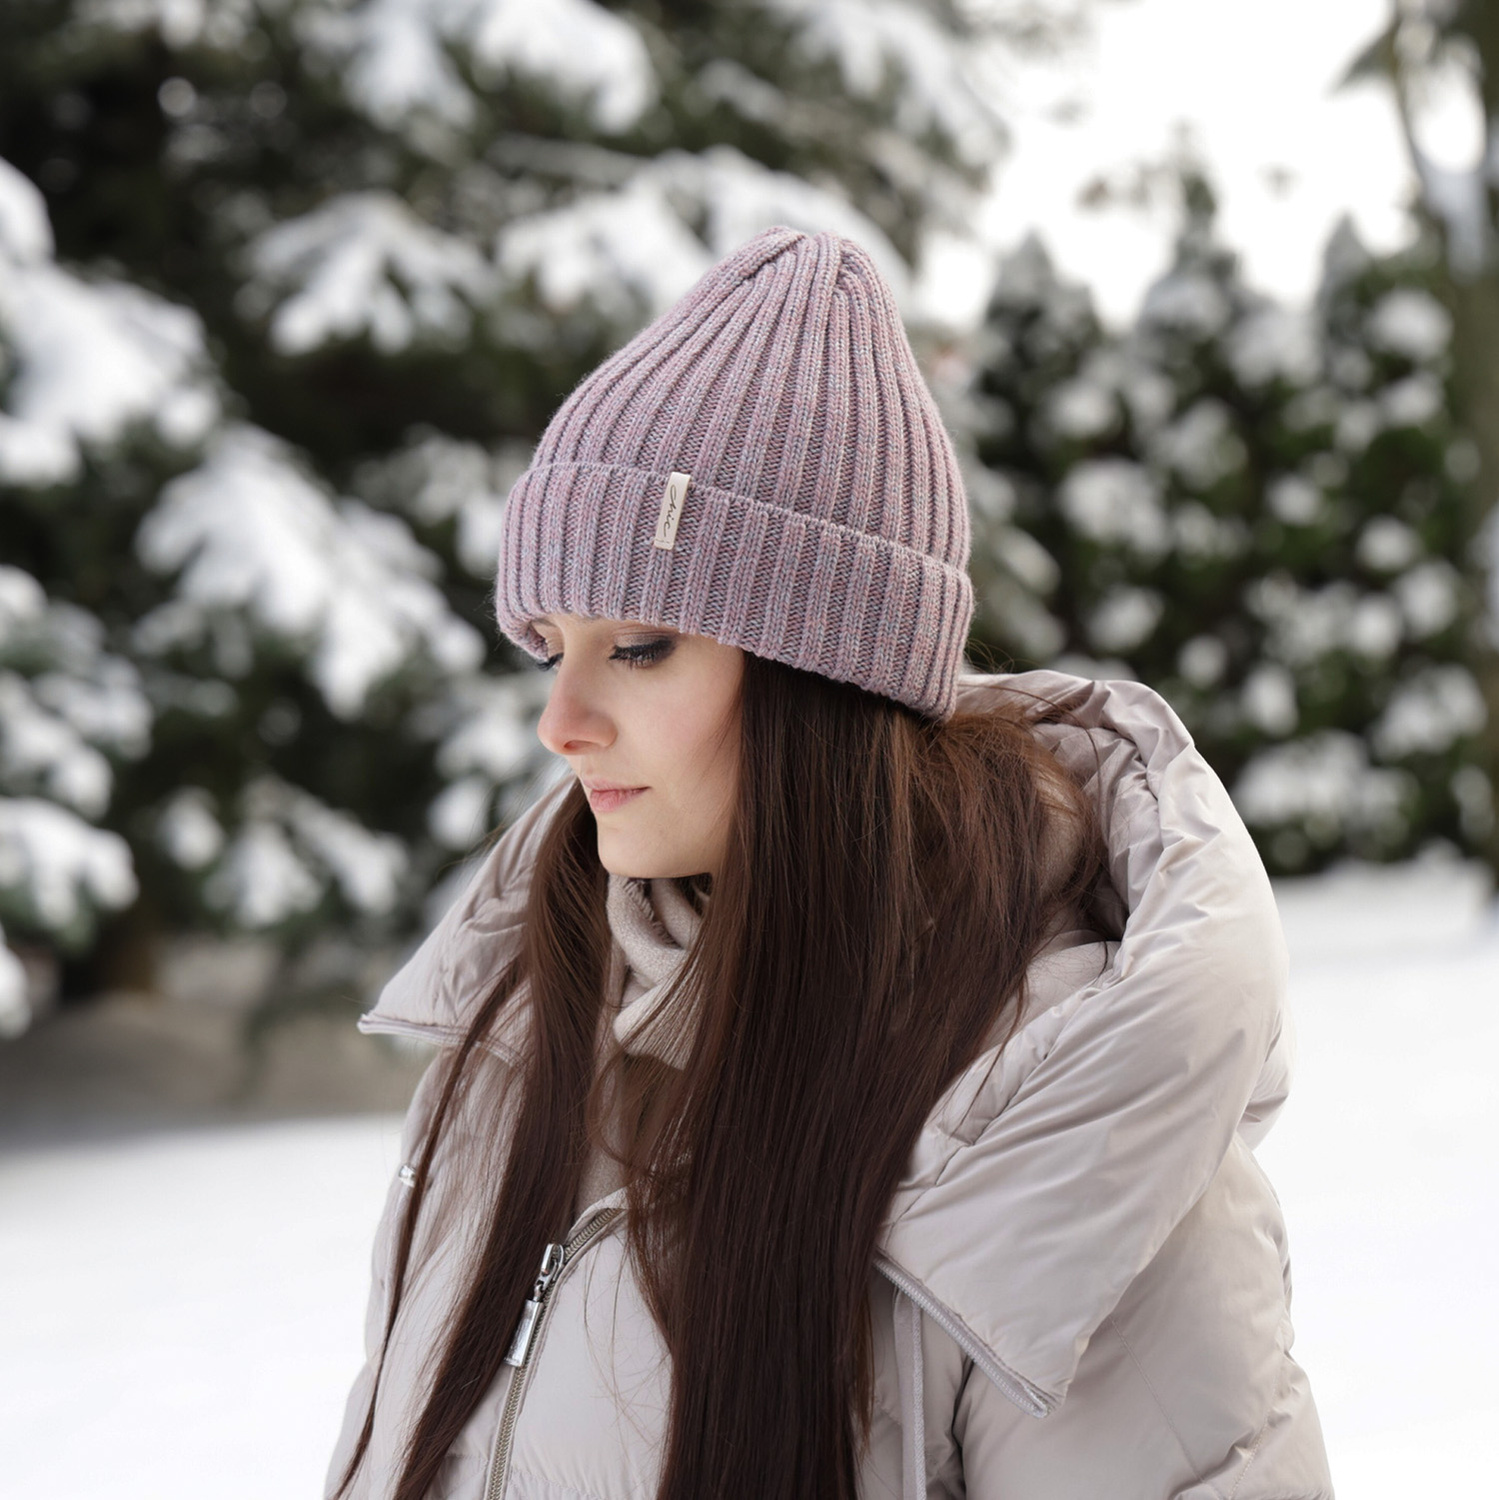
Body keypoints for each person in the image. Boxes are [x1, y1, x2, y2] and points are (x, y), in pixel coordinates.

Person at [326, 227, 1333, 1500]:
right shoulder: (522, 1048)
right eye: (549, 647)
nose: (559, 721)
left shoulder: (1062, 1136)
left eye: (636, 646)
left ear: (823, 678)